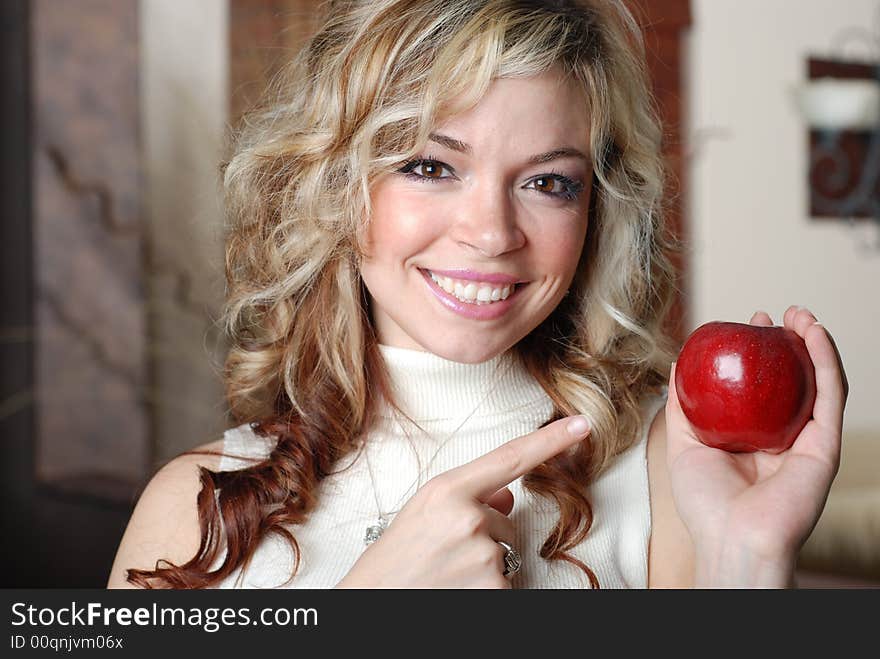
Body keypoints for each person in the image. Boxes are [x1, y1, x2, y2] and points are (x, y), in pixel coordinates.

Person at [107, 0, 848, 589]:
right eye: (431, 166)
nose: (492, 232)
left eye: (547, 182)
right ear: (336, 184)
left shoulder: (673, 479)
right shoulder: (191, 509)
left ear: (594, 215)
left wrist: (745, 563)